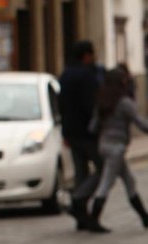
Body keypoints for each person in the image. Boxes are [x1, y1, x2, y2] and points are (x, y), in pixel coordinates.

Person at [87, 68, 148, 233]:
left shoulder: (102, 100)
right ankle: (93, 220)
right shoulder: (124, 102)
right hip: (116, 149)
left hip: (104, 145)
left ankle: (145, 217)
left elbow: (93, 127)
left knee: (129, 181)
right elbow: (141, 123)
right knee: (106, 184)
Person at [58, 40, 102, 231]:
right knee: (103, 167)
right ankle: (78, 200)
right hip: (87, 132)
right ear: (86, 56)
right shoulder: (86, 75)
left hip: (71, 132)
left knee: (81, 173)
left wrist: (65, 131)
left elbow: (61, 105)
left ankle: (81, 218)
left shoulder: (65, 75)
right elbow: (90, 105)